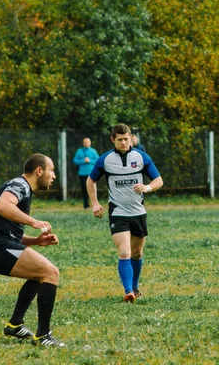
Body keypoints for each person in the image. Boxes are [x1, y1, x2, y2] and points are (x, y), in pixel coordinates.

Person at [0, 154, 65, 346]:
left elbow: (5, 230)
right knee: (51, 273)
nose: (54, 176)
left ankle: (15, 325)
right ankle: (43, 336)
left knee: (39, 275)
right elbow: (3, 206)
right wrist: (34, 222)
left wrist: (35, 241)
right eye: (52, 170)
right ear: (39, 171)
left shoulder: (20, 186)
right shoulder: (20, 185)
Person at [87, 123, 163, 303]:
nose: (124, 143)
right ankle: (128, 291)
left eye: (126, 139)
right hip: (118, 212)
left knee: (137, 253)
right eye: (120, 140)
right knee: (124, 251)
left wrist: (147, 187)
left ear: (131, 138)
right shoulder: (105, 160)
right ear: (113, 139)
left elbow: (159, 180)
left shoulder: (141, 157)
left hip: (138, 212)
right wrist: (95, 203)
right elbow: (91, 182)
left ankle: (135, 287)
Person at [73, 137, 99, 209]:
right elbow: (75, 161)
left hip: (91, 173)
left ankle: (95, 204)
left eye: (87, 142)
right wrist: (83, 161)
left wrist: (90, 161)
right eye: (85, 142)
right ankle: (86, 205)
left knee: (93, 189)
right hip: (82, 173)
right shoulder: (79, 151)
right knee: (84, 190)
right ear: (83, 143)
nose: (86, 143)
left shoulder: (93, 151)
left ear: (90, 143)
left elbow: (97, 160)